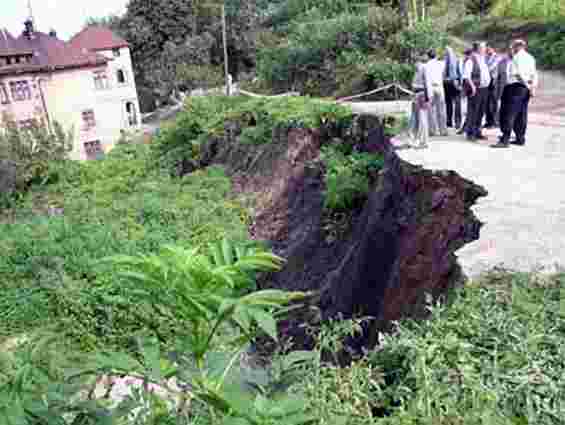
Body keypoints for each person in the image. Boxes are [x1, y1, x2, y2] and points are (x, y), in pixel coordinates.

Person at [491, 39, 538, 148]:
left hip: (515, 87)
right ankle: (520, 138)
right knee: (522, 114)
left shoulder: (517, 57)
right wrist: (532, 87)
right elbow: (534, 74)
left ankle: (505, 139)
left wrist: (527, 85)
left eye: (513, 46)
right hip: (525, 89)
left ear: (517, 46)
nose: (512, 49)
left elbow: (517, 75)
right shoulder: (531, 57)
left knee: (508, 113)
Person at [462, 41, 491, 141]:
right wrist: (473, 87)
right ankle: (470, 133)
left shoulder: (482, 59)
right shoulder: (471, 59)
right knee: (473, 112)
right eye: (483, 47)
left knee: (480, 112)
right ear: (478, 48)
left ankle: (478, 131)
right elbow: (466, 75)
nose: (485, 49)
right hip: (476, 89)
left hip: (484, 89)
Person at [408, 55, 431, 149]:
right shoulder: (417, 70)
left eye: (415, 62)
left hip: (422, 95)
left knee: (422, 119)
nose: (414, 64)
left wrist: (428, 98)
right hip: (417, 95)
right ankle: (417, 140)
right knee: (416, 119)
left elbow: (427, 84)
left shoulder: (423, 68)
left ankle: (423, 141)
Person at [425, 49, 448, 137]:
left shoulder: (427, 65)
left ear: (428, 56)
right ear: (435, 55)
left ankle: (432, 130)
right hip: (439, 87)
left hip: (431, 87)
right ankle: (443, 130)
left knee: (431, 110)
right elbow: (443, 74)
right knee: (441, 110)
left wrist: (428, 92)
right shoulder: (441, 64)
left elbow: (427, 79)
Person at [443, 46, 462, 130]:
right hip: (447, 83)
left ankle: (457, 122)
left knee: (456, 103)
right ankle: (449, 121)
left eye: (447, 52)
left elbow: (460, 72)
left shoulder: (457, 60)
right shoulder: (446, 61)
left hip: (454, 82)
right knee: (449, 103)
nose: (446, 53)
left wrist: (460, 83)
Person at [457, 49, 473, 135]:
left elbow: (467, 76)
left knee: (467, 109)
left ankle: (465, 127)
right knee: (464, 109)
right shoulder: (463, 61)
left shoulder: (470, 62)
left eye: (467, 54)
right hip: (464, 86)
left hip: (468, 88)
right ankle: (464, 127)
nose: (465, 56)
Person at [484, 46, 501, 128]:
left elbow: (491, 68)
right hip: (487, 81)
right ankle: (488, 121)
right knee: (487, 103)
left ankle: (495, 122)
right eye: (486, 49)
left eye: (489, 48)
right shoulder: (486, 57)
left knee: (494, 103)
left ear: (493, 48)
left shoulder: (497, 57)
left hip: (493, 82)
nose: (487, 50)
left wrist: (483, 69)